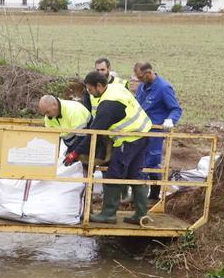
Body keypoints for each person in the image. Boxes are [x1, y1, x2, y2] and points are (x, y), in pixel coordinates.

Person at [63, 71, 153, 224]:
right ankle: (141, 214)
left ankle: (108, 214)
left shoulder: (108, 105)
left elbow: (94, 134)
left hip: (128, 139)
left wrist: (75, 153)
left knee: (113, 175)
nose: (91, 94)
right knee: (135, 174)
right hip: (144, 134)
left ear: (99, 86)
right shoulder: (115, 88)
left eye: (91, 90)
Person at [134, 61, 183, 199]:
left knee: (151, 162)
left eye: (140, 77)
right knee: (139, 161)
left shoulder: (163, 88)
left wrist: (170, 120)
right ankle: (141, 196)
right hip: (140, 131)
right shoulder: (142, 87)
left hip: (154, 132)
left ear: (148, 73)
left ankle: (153, 195)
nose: (139, 81)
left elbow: (176, 109)